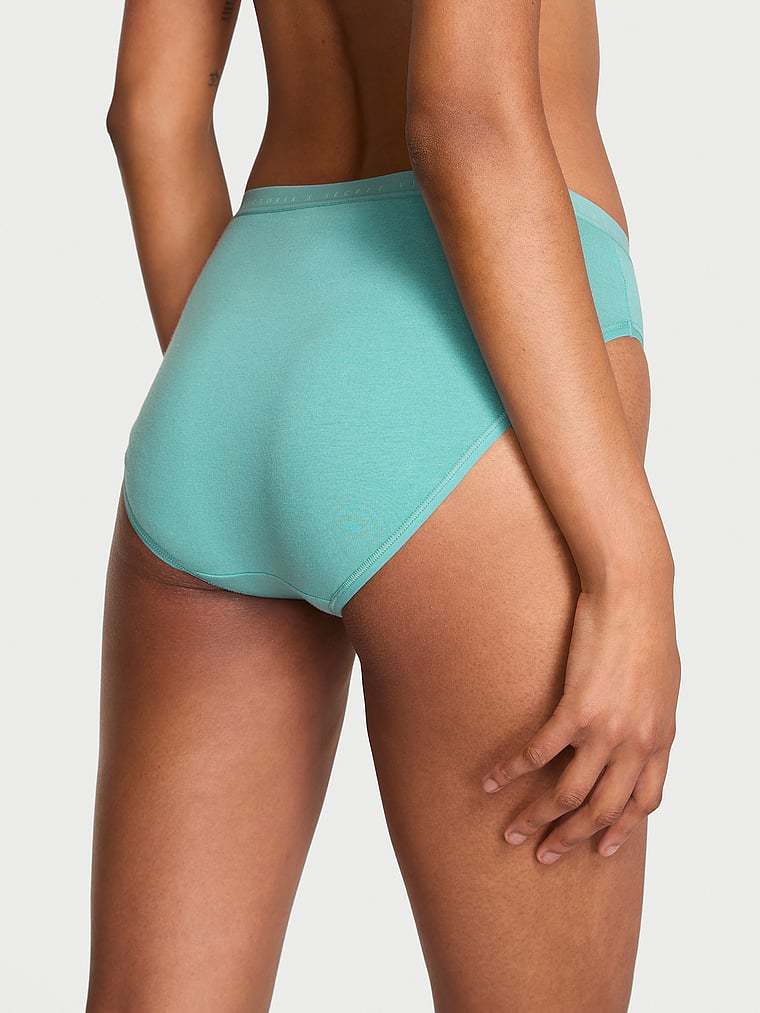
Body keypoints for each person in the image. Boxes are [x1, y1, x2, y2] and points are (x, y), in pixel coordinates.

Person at [89, 1, 680, 1009]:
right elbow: (464, 115)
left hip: (238, 332)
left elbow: (150, 108)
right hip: (468, 362)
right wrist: (633, 568)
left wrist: (252, 404)